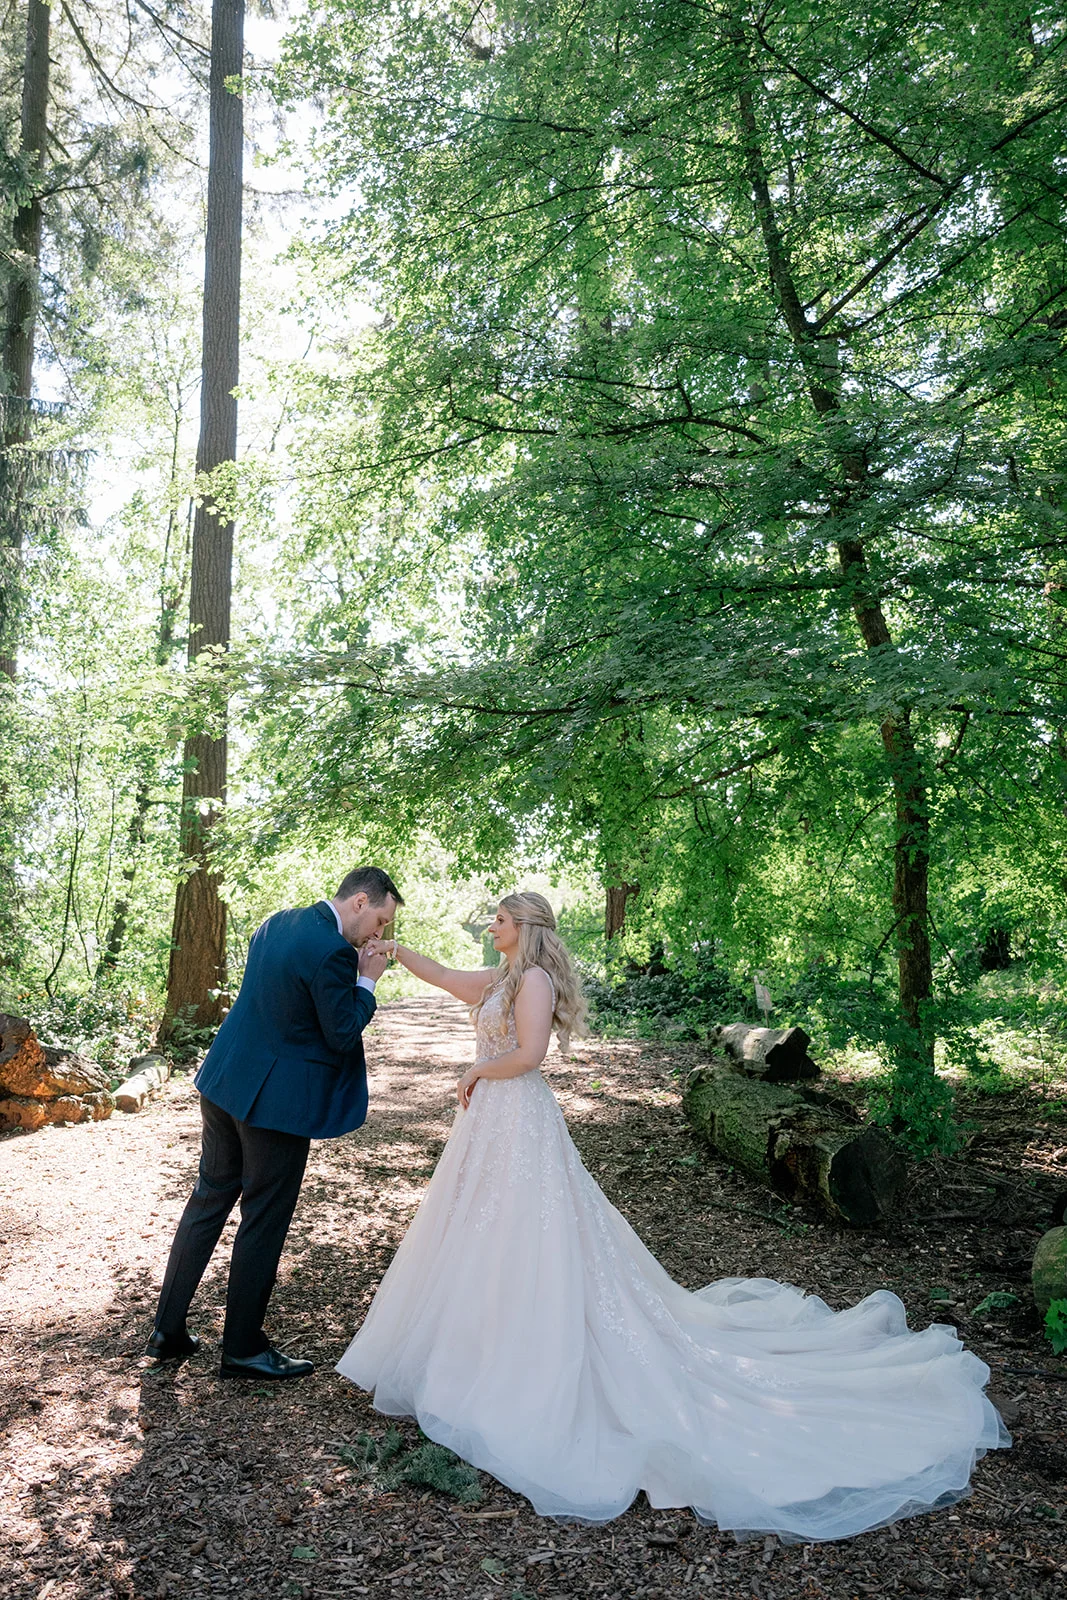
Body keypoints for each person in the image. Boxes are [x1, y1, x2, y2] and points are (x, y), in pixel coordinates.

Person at [337, 891, 1009, 1541]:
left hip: (516, 1119)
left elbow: (529, 1055)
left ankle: (530, 1352)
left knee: (528, 1233)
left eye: (501, 918)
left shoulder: (533, 980)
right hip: (490, 1126)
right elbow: (447, 977)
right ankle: (476, 1350)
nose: (492, 925)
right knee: (483, 1236)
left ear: (527, 927)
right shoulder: (504, 976)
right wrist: (395, 952)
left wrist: (474, 1073)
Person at [148, 866, 402, 1380]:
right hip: (275, 1106)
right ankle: (243, 1348)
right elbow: (341, 1032)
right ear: (359, 901)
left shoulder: (277, 922)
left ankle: (167, 1331)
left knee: (207, 1202)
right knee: (263, 1216)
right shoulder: (333, 952)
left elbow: (281, 1003)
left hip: (225, 1081)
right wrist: (367, 981)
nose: (379, 932)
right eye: (380, 919)